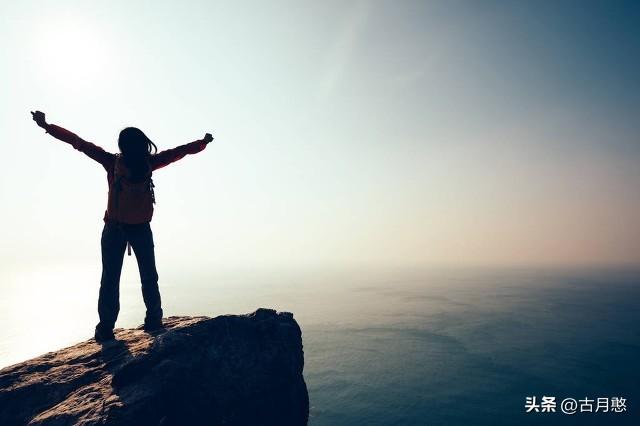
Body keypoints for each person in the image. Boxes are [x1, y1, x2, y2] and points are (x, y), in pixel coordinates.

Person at [30, 110, 213, 342]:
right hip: (141, 228)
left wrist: (47, 125)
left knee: (110, 279)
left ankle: (106, 328)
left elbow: (78, 143)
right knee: (149, 276)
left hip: (114, 228)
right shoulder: (150, 164)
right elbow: (179, 152)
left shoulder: (112, 163)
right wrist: (202, 143)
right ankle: (154, 320)